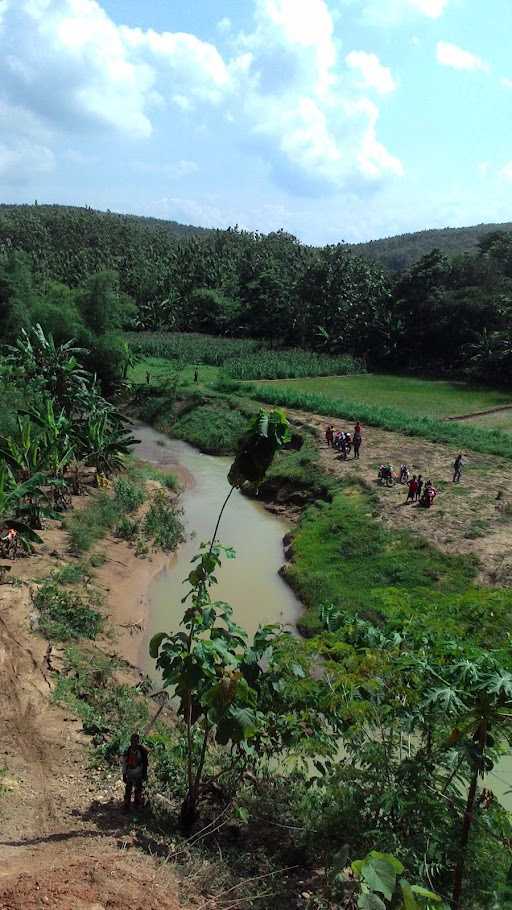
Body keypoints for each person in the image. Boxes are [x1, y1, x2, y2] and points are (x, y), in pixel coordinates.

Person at [122, 734, 148, 811]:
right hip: (130, 773)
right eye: (133, 741)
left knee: (138, 790)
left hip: (139, 774)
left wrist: (145, 774)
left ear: (138, 741)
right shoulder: (128, 751)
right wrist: (124, 774)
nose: (134, 743)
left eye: (136, 741)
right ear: (130, 741)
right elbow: (124, 764)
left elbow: (145, 763)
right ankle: (126, 806)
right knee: (128, 790)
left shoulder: (142, 751)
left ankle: (137, 806)